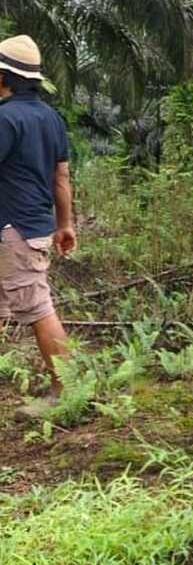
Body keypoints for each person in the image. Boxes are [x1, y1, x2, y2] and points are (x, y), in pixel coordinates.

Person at [0, 34, 76, 416]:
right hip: (32, 227)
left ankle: (67, 391)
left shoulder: (5, 118)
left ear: (4, 77)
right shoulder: (51, 118)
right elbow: (61, 177)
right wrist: (66, 224)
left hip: (13, 230)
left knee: (37, 307)